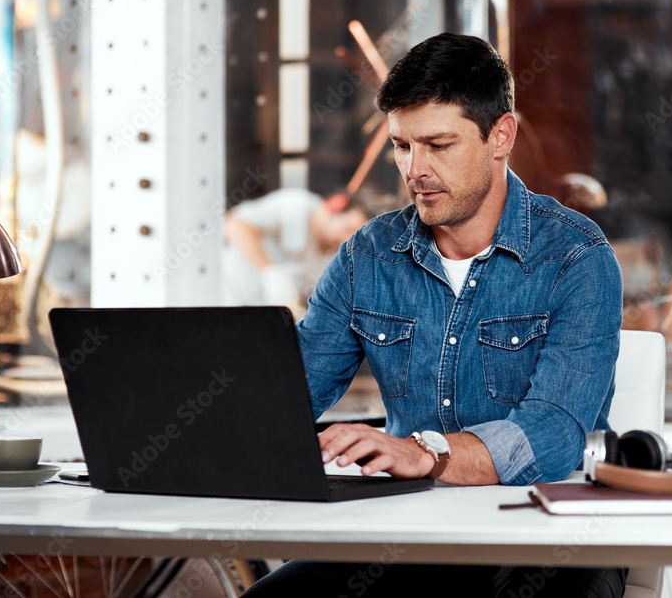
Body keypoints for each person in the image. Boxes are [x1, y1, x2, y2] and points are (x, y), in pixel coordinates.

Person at [245, 32, 626, 597]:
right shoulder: (366, 256)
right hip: (408, 533)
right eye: (402, 146)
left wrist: (425, 452)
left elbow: (552, 435)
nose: (414, 169)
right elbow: (289, 393)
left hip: (547, 537)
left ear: (501, 136)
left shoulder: (575, 256)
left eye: (438, 145)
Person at [221, 189, 369, 312]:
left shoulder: (335, 256)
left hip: (257, 319)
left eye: (353, 240)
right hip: (224, 298)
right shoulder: (297, 205)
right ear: (337, 204)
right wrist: (269, 271)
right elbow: (235, 224)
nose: (345, 239)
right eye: (348, 228)